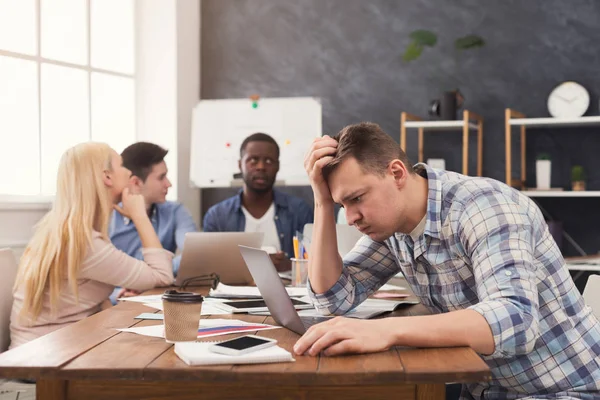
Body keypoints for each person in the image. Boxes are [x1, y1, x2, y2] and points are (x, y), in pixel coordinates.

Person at [295, 122, 600, 399]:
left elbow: (516, 320)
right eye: (342, 203)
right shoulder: (394, 224)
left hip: (568, 390)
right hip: (488, 390)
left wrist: (385, 331)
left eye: (357, 198)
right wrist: (322, 202)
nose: (350, 218)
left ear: (397, 173)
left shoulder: (484, 206)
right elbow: (332, 298)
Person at [10, 142, 174, 349]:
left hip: (48, 348)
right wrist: (139, 216)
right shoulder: (84, 243)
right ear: (107, 177)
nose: (130, 172)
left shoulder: (70, 231)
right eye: (123, 165)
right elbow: (163, 276)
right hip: (46, 359)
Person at [203, 133, 313, 271]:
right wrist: (257, 264)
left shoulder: (299, 211)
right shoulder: (217, 216)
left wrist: (289, 265)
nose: (261, 167)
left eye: (268, 161)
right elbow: (209, 268)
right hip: (233, 292)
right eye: (253, 160)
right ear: (239, 164)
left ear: (277, 166)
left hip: (288, 291)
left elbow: (315, 262)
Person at [109, 142, 197, 280]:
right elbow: (97, 276)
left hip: (156, 294)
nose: (169, 184)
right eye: (161, 177)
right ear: (136, 183)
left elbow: (194, 256)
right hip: (120, 298)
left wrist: (145, 278)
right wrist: (120, 292)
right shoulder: (107, 219)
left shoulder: (175, 211)